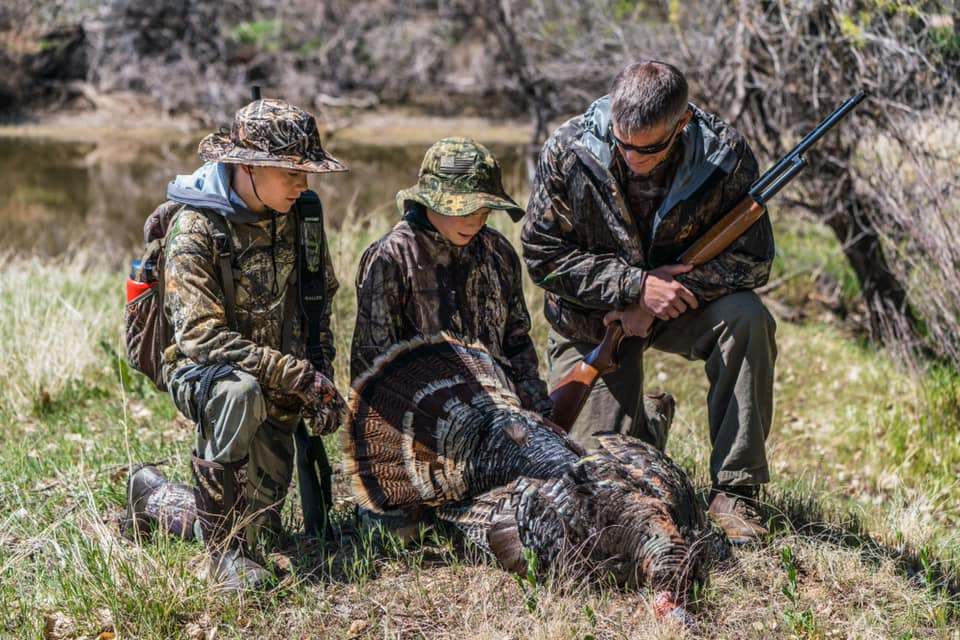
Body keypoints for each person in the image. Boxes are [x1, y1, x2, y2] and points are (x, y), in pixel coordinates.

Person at [522, 60, 777, 544]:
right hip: (592, 321)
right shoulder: (568, 149)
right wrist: (633, 287)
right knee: (594, 481)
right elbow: (541, 256)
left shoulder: (725, 155)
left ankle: (737, 492)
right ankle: (649, 422)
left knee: (747, 318)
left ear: (682, 124)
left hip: (682, 307)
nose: (634, 157)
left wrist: (665, 296)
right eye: (623, 143)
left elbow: (754, 261)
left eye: (650, 148)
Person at [123, 99, 346, 589]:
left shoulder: (303, 216)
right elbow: (200, 338)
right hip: (204, 373)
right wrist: (295, 375)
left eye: (306, 172)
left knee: (259, 524)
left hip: (278, 375)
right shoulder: (195, 227)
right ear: (248, 166)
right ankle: (225, 559)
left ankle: (151, 498)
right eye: (290, 172)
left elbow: (316, 302)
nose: (302, 184)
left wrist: (319, 374)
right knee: (237, 392)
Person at [349, 137, 551, 534]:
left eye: (483, 207)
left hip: (496, 432)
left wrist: (537, 411)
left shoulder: (499, 253)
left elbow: (517, 340)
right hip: (416, 442)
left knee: (538, 512)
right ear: (429, 201)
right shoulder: (391, 258)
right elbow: (369, 374)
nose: (475, 218)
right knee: (402, 534)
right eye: (462, 207)